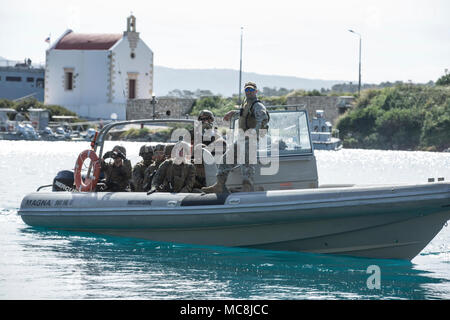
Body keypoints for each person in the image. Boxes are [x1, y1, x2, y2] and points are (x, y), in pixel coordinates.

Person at [202, 81, 269, 193]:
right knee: (226, 159)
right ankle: (219, 185)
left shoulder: (258, 105)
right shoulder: (247, 103)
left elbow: (263, 119)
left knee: (247, 164)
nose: (249, 92)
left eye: (251, 90)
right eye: (247, 90)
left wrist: (255, 133)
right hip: (242, 139)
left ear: (256, 91)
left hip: (250, 140)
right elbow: (245, 114)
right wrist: (233, 113)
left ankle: (247, 188)